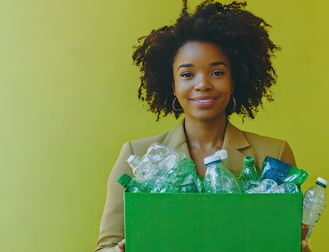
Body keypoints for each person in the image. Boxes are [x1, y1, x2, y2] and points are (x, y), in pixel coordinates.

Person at [95, 1, 311, 251]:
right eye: (187, 74)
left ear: (235, 80)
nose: (203, 84)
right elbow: (106, 245)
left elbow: (289, 241)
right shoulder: (136, 155)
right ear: (172, 85)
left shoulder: (273, 154)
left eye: (217, 73)